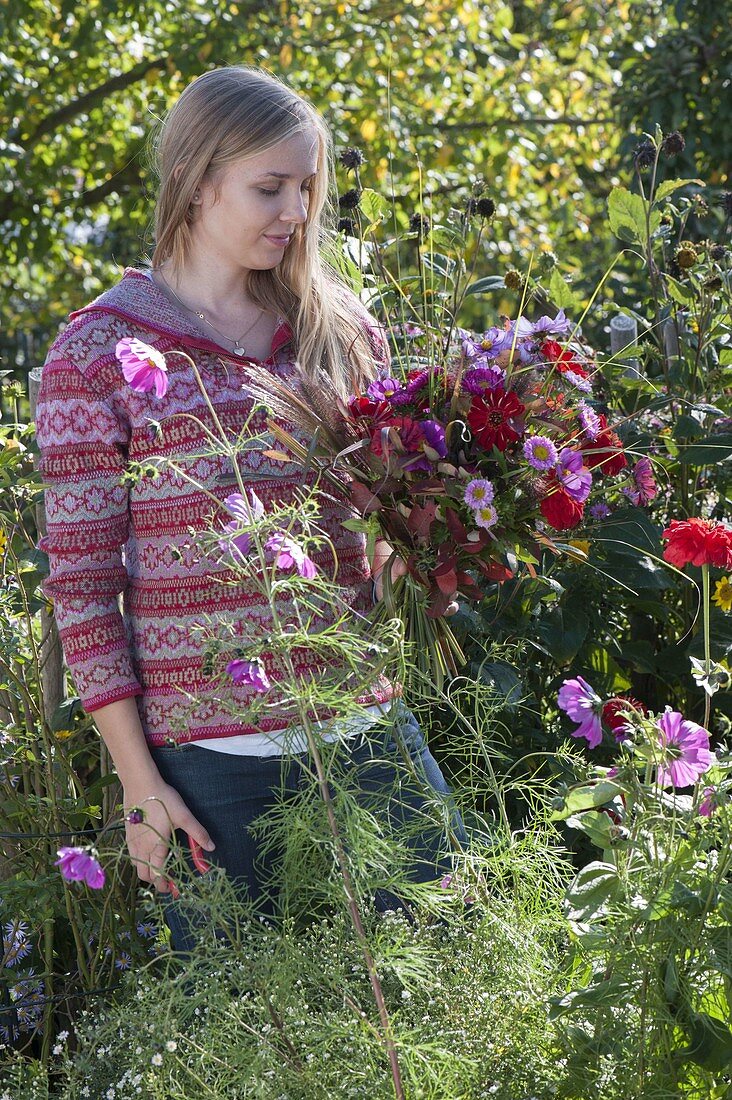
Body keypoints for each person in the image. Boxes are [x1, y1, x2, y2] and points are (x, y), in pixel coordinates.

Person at [35, 65, 465, 951]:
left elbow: (382, 535)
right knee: (244, 1036)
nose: (297, 213)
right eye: (270, 187)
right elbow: (81, 587)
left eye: (306, 187)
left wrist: (428, 535)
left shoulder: (336, 333)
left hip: (365, 730)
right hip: (207, 768)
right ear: (196, 182)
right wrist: (139, 784)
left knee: (452, 976)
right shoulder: (98, 353)